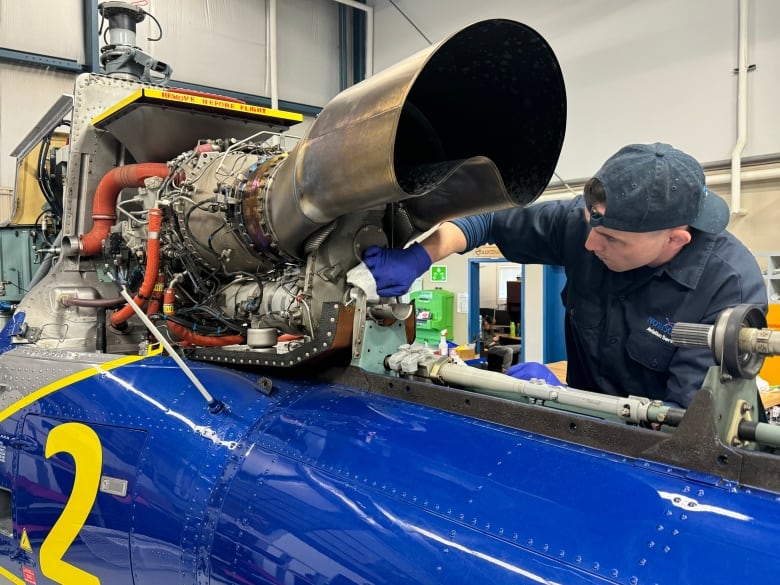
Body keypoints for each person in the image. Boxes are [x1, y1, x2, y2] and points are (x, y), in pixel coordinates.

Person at [350, 142, 768, 408]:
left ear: (675, 239)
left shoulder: (727, 288)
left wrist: (567, 399)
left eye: (611, 241)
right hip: (580, 433)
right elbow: (488, 220)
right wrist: (421, 257)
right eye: (590, 229)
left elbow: (686, 424)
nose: (589, 246)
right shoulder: (585, 225)